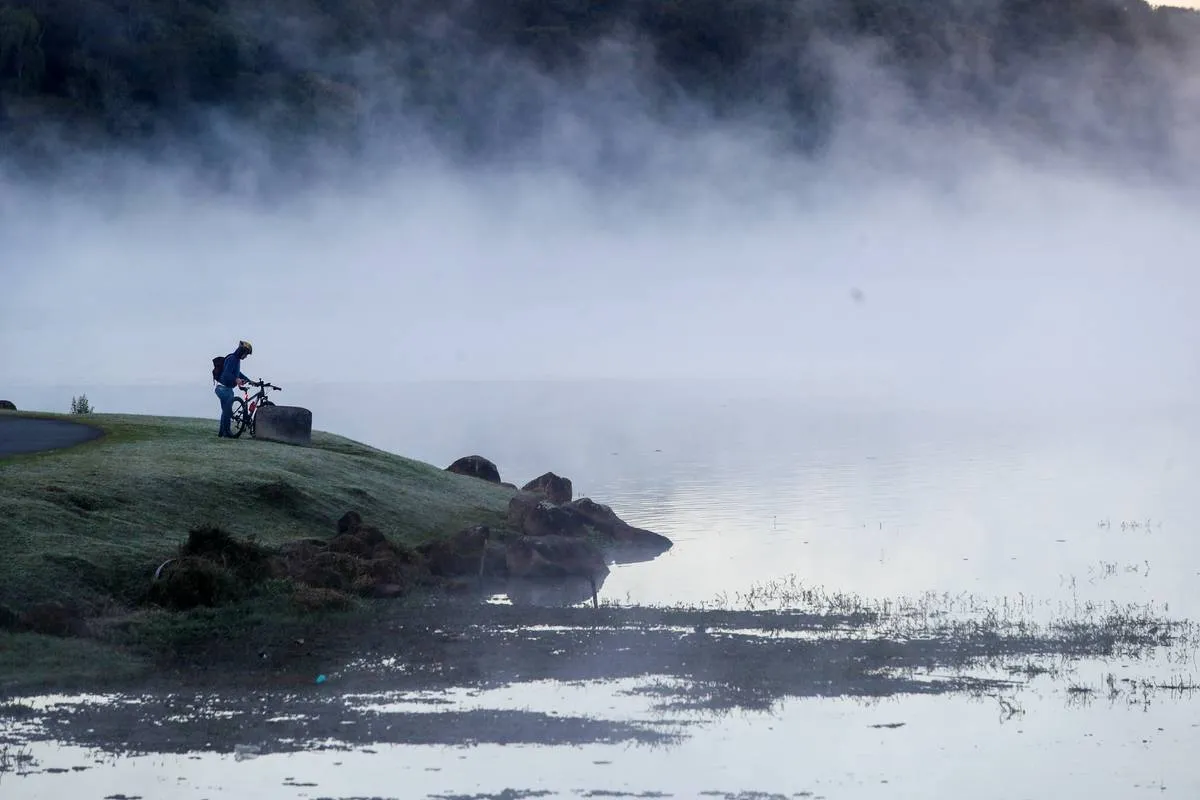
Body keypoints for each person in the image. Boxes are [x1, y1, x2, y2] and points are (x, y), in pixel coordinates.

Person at [214, 340, 253, 438]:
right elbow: (227, 374)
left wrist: (249, 380)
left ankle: (222, 433)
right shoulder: (232, 359)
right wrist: (236, 379)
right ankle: (226, 433)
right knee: (227, 411)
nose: (246, 356)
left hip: (226, 389)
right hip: (223, 388)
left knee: (225, 411)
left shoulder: (236, 360)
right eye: (246, 354)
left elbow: (237, 373)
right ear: (241, 351)